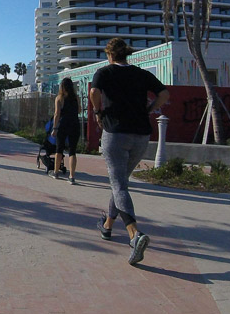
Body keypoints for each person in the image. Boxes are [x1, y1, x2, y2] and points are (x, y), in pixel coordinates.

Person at [89, 38, 169, 266]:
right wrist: (149, 109)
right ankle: (107, 227)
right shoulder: (141, 74)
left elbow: (94, 92)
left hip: (115, 132)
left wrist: (97, 111)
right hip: (141, 135)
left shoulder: (104, 72)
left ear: (110, 55)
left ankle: (135, 235)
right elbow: (164, 95)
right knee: (121, 182)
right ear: (127, 54)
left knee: (119, 185)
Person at [49, 77, 80, 184]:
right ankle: (71, 177)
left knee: (59, 149)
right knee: (72, 151)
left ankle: (56, 172)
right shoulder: (76, 97)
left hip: (63, 125)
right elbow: (79, 110)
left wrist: (54, 128)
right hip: (75, 124)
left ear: (62, 87)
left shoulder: (59, 98)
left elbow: (57, 114)